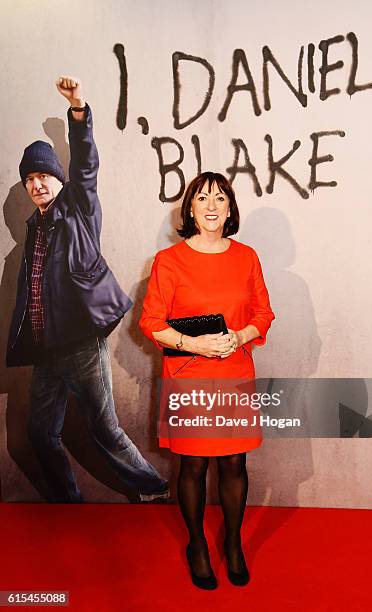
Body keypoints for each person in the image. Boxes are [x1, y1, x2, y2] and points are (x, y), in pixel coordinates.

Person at [6, 75, 169, 504]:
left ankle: (153, 489)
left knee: (104, 429)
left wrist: (77, 109)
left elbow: (85, 164)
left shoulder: (79, 209)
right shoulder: (33, 229)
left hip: (80, 346)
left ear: (58, 180)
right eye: (30, 180)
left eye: (44, 175)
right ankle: (68, 502)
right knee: (40, 434)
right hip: (46, 352)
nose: (37, 184)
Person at [139, 172, 274, 588]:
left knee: (235, 462)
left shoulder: (247, 257)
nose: (212, 205)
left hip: (234, 372)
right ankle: (197, 543)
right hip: (189, 375)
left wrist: (240, 336)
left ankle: (233, 543)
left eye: (220, 198)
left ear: (230, 208)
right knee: (193, 465)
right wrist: (193, 345)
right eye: (202, 198)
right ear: (190, 209)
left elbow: (263, 315)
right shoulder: (168, 261)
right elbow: (150, 322)